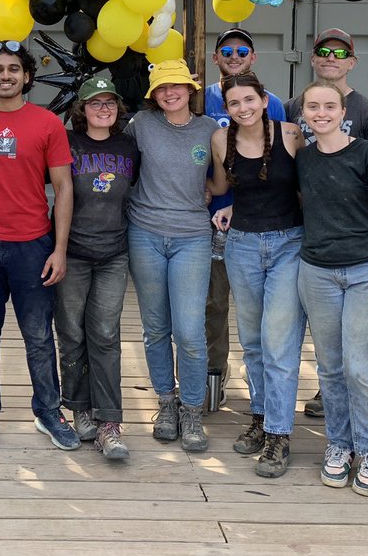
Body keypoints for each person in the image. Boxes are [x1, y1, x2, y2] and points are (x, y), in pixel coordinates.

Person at [0, 40, 78, 453]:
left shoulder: (47, 123)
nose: (5, 76)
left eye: (13, 69)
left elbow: (63, 187)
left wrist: (59, 249)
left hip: (33, 245)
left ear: (26, 76)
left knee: (38, 336)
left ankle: (49, 411)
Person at [294, 80, 368, 497]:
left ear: (343, 113)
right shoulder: (303, 159)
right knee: (331, 367)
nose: (320, 113)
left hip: (365, 272)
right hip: (317, 273)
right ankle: (339, 444)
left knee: (361, 367)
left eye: (329, 107)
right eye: (312, 107)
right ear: (303, 114)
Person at [286, 28, 368, 419]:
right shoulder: (290, 107)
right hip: (311, 245)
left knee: (360, 359)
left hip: (360, 251)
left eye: (341, 53)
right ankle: (335, 427)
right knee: (328, 351)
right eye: (324, 51)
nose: (332, 57)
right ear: (313, 58)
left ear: (352, 62)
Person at [208, 72, 305, 478]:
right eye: (234, 103)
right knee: (252, 342)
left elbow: (309, 187)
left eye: (249, 100)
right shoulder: (220, 140)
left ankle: (279, 435)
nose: (243, 108)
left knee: (279, 343)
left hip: (289, 244)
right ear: (226, 108)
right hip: (242, 244)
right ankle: (262, 418)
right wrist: (220, 205)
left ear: (264, 100)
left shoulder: (291, 134)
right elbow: (220, 186)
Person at [124, 59, 220, 453]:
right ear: (154, 94)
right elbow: (121, 166)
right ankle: (166, 402)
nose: (170, 93)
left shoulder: (209, 129)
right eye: (162, 88)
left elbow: (221, 180)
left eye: (176, 86)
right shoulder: (140, 125)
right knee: (155, 327)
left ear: (190, 89)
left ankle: (192, 409)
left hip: (192, 236)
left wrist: (209, 191)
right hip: (144, 232)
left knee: (190, 331)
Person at [55, 74, 140, 460]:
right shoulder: (67, 143)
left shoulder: (129, 146)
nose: (103, 109)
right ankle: (79, 408)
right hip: (71, 252)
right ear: (82, 109)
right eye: (95, 103)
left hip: (112, 253)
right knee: (71, 333)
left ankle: (109, 421)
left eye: (109, 103)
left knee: (105, 334)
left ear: (117, 108)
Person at [203, 29, 287, 408]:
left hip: (264, 222)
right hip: (212, 220)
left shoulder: (276, 106)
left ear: (253, 57)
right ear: (216, 57)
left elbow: (283, 164)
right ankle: (214, 377)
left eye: (242, 50)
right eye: (227, 50)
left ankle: (265, 392)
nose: (234, 56)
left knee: (266, 313)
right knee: (213, 305)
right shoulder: (200, 99)